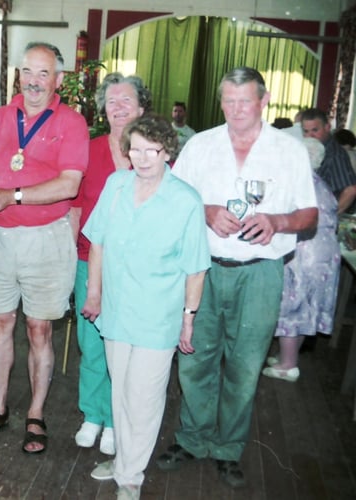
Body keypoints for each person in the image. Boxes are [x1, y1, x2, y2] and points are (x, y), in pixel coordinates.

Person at [155, 67, 318, 489]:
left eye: (244, 101)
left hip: (261, 273)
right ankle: (192, 439)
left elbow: (309, 214)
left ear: (264, 101)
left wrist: (277, 221)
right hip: (204, 269)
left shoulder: (289, 150)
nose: (236, 109)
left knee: (244, 368)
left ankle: (227, 448)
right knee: (194, 360)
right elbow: (174, 200)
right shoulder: (201, 145)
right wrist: (206, 211)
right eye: (228, 100)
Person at [0, 41, 89, 454]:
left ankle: (35, 413)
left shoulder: (72, 122)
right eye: (28, 72)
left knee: (39, 328)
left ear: (58, 80)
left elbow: (69, 184)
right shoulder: (0, 117)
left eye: (43, 74)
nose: (34, 82)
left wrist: (9, 195)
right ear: (18, 74)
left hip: (46, 239)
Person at [83, 114, 210, 500]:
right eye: (134, 149)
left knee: (145, 399)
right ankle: (124, 459)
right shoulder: (116, 185)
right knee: (120, 392)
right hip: (117, 310)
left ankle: (131, 476)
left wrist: (188, 319)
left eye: (149, 150)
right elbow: (98, 242)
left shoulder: (185, 199)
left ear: (167, 151)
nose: (141, 158)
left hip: (159, 316)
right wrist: (94, 293)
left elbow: (196, 268)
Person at [69, 72, 151, 455]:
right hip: (90, 259)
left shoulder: (152, 151)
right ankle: (93, 414)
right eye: (111, 101)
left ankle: (118, 420)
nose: (118, 108)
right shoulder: (88, 148)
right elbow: (75, 206)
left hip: (135, 267)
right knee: (92, 342)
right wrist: (73, 254)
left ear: (141, 107)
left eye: (126, 101)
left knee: (127, 345)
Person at [264, 137, 340, 382]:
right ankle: (289, 357)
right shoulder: (320, 182)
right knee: (309, 308)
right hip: (326, 254)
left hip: (306, 253)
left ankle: (288, 365)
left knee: (293, 308)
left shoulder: (301, 183)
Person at [300, 107, 356, 214]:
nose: (310, 135)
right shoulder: (313, 149)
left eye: (315, 130)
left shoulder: (334, 155)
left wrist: (330, 217)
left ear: (327, 127)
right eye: (306, 131)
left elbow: (351, 190)